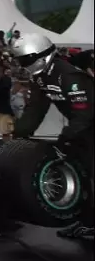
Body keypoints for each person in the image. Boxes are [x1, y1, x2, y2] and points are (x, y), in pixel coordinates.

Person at [10, 34, 94, 239]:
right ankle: (88, 223)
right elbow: (35, 110)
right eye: (21, 61)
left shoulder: (69, 76)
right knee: (83, 175)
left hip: (88, 125)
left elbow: (84, 115)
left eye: (26, 60)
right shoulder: (41, 77)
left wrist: (64, 139)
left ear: (42, 56)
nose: (24, 65)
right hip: (83, 129)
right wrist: (18, 136)